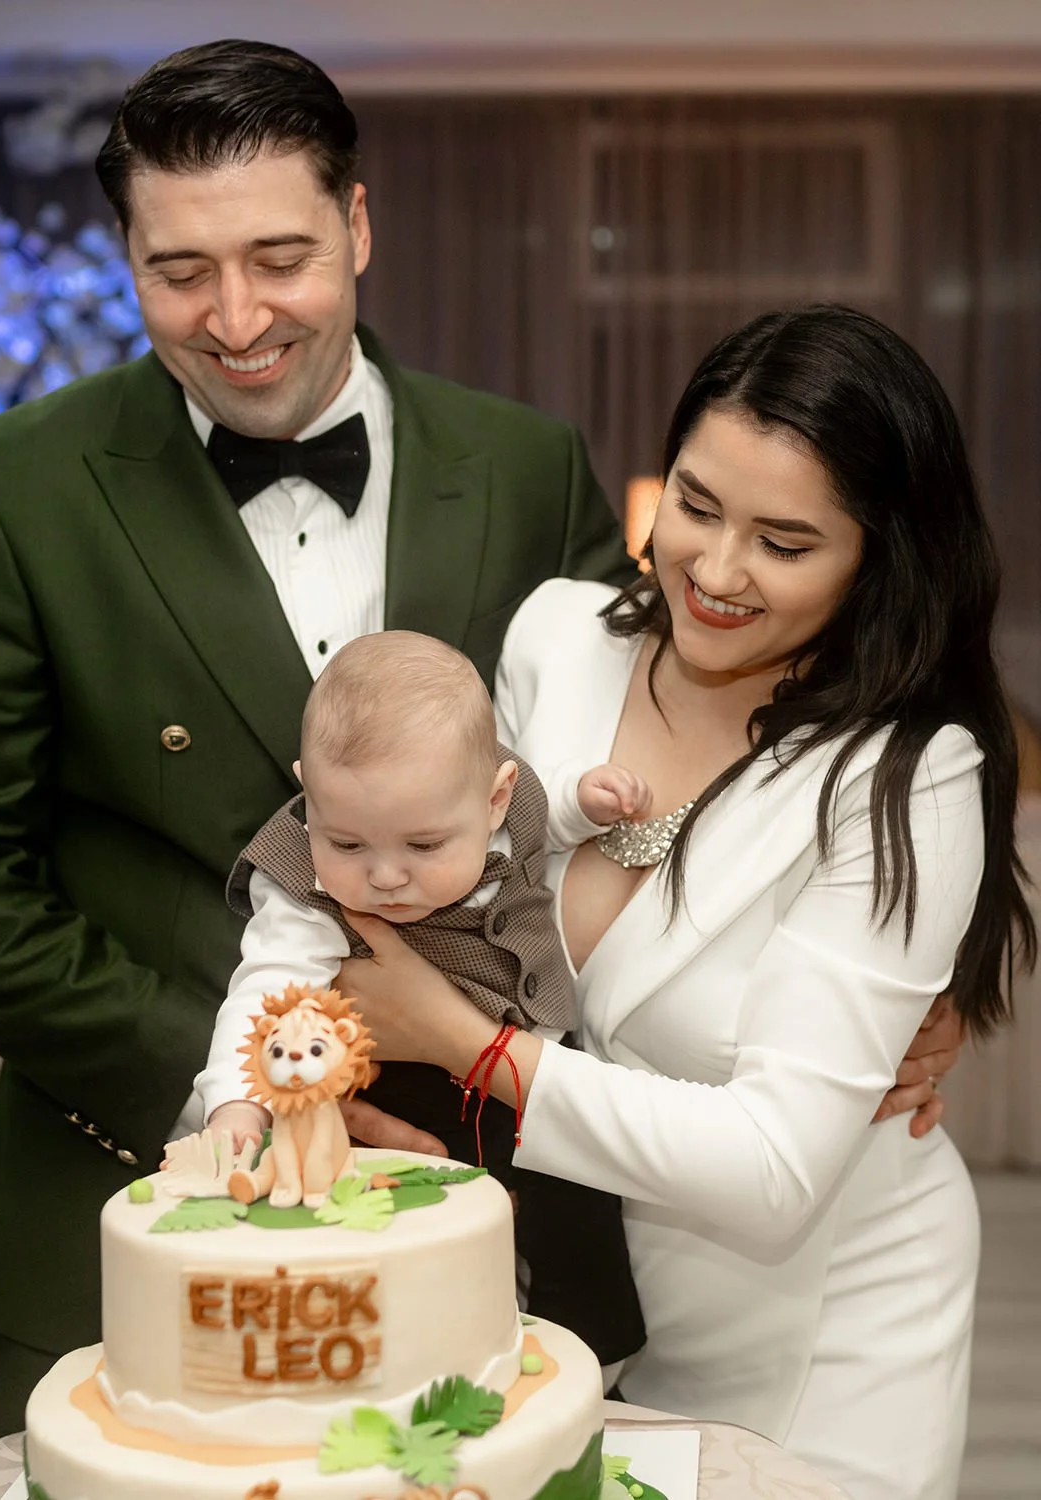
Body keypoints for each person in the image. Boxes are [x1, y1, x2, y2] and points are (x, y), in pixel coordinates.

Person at [0, 39, 956, 1437]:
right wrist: (262, 1078)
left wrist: (908, 981)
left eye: (280, 256)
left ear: (360, 227)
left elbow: (691, 768)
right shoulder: (7, 490)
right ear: (126, 255)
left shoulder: (525, 463)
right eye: (179, 270)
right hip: (133, 1195)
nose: (236, 315)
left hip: (496, 1211)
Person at [335, 304, 1036, 1500]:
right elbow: (459, 900)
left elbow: (772, 1167)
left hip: (818, 1332)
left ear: (881, 554)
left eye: (785, 541)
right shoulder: (559, 638)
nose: (714, 571)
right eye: (696, 507)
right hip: (565, 1295)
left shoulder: (909, 778)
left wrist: (463, 1046)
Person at [196, 629, 648, 1366]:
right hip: (408, 1096)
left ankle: (595, 1364)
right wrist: (238, 1102)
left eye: (425, 847)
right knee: (424, 1246)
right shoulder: (302, 886)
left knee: (580, 1222)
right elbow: (268, 993)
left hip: (537, 1071)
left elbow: (547, 816)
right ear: (309, 792)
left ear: (495, 797)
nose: (384, 877)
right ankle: (434, 1371)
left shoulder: (510, 797)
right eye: (346, 844)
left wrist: (582, 802)